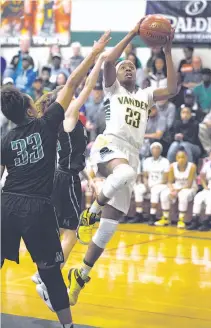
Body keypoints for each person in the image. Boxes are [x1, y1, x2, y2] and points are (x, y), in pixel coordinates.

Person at [1, 31, 111, 328]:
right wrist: (95, 53)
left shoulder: (4, 140)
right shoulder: (48, 124)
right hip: (36, 207)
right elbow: (74, 82)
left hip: (6, 204)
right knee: (50, 270)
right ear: (29, 109)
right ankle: (67, 325)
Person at [67, 19, 177, 306]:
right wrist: (132, 33)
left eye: (131, 66)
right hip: (109, 145)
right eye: (123, 66)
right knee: (124, 173)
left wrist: (167, 51)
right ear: (115, 75)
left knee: (110, 226)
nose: (127, 67)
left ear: (137, 73)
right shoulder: (113, 88)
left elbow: (174, 89)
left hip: (131, 152)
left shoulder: (145, 95)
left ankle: (81, 274)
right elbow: (108, 59)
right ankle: (91, 210)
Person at [32, 51, 109, 288]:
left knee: (60, 231)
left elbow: (77, 156)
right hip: (65, 180)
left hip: (59, 176)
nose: (73, 93)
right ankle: (49, 276)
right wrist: (99, 61)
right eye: (69, 92)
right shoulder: (69, 114)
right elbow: (86, 85)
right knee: (72, 233)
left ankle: (43, 272)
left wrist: (92, 179)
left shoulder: (59, 121)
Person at [156, 147, 197, 229]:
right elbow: (170, 182)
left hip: (190, 187)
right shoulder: (172, 166)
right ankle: (165, 218)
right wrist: (171, 189)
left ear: (187, 158)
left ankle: (181, 220)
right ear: (176, 158)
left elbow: (189, 185)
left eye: (183, 157)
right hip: (177, 186)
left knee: (183, 195)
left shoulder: (192, 166)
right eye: (178, 157)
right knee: (164, 194)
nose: (181, 159)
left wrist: (176, 191)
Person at [133, 142, 169, 225]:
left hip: (161, 184)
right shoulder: (147, 161)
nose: (155, 150)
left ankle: (152, 216)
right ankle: (139, 214)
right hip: (149, 184)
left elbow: (165, 179)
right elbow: (145, 176)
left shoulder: (165, 161)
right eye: (154, 148)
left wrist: (153, 186)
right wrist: (146, 184)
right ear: (151, 150)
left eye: (157, 148)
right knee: (138, 188)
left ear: (160, 150)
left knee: (155, 190)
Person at [187, 148, 211, 231]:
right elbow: (202, 177)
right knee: (198, 197)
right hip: (209, 189)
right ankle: (195, 220)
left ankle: (206, 222)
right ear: (209, 156)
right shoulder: (207, 165)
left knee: (210, 199)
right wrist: (204, 186)